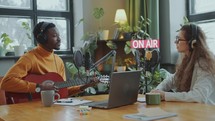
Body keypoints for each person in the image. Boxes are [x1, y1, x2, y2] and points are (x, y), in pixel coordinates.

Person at [0, 22, 96, 103]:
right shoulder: (29, 58)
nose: (59, 39)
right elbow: (6, 82)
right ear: (42, 38)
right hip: (30, 107)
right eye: (54, 36)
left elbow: (63, 90)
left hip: (52, 108)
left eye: (59, 35)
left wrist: (83, 86)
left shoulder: (58, 61)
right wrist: (39, 87)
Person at [151, 24, 215, 105]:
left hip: (206, 114)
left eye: (179, 39)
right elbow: (172, 80)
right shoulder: (187, 59)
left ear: (192, 43)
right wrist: (157, 91)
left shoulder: (205, 63)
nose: (175, 42)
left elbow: (199, 96)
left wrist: (165, 95)